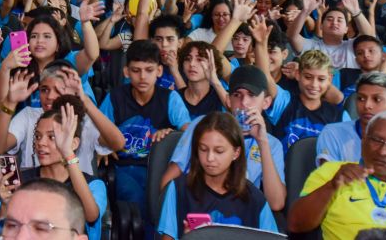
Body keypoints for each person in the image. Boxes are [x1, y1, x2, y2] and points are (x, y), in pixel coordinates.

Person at [162, 65, 286, 212]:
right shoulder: (203, 125)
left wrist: (262, 141)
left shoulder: (272, 144)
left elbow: (276, 204)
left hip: (238, 216)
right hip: (197, 207)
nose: (244, 103)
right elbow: (167, 183)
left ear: (266, 102)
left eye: (252, 95)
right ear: (228, 100)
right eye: (237, 95)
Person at [99, 40, 190, 214]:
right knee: (136, 198)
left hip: (157, 167)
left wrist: (172, 134)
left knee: (160, 200)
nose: (142, 77)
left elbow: (188, 131)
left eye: (149, 70)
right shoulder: (115, 97)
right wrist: (104, 144)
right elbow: (97, 131)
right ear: (126, 72)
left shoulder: (170, 98)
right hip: (123, 167)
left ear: (159, 71)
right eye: (136, 70)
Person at [0, 99, 107, 240]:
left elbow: (90, 216)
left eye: (52, 137)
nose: (41, 143)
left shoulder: (93, 184)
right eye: (37, 136)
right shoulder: (21, 182)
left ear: (74, 143)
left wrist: (67, 152)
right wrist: (6, 205)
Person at [158, 112, 279, 239]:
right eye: (203, 149)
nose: (210, 158)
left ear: (236, 153)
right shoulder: (178, 189)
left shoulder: (255, 199)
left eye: (219, 151)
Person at [0, 62, 124, 174]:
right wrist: (10, 103)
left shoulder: (85, 120)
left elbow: (118, 143)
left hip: (75, 194)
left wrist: (85, 101)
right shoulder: (28, 115)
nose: (50, 96)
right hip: (33, 192)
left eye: (59, 90)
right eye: (44, 90)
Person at [289, 110, 386, 239]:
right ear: (363, 141)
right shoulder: (333, 172)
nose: (383, 151)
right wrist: (332, 186)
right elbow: (296, 224)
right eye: (377, 140)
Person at [287, 0, 375, 69]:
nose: (334, 22)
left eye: (339, 20)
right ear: (321, 26)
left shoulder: (352, 46)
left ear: (346, 29)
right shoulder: (311, 46)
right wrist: (305, 11)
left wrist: (356, 12)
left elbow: (369, 37)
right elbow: (292, 36)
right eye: (329, 19)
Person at [317, 72, 386, 164]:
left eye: (377, 100)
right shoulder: (333, 133)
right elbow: (327, 176)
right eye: (361, 98)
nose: (367, 105)